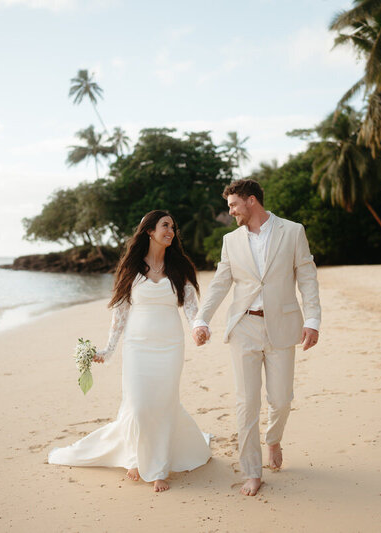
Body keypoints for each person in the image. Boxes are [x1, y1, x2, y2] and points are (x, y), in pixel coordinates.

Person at [48, 210, 211, 492]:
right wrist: (108, 349)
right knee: (138, 406)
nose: (171, 231)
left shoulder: (179, 268)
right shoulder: (132, 268)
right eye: (165, 226)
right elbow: (120, 312)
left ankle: (159, 468)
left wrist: (199, 328)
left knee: (162, 404)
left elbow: (192, 308)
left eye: (173, 227)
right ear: (149, 231)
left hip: (170, 346)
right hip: (137, 347)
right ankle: (134, 456)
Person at [192, 179, 320, 496]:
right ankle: (252, 471)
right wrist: (201, 318)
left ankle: (273, 438)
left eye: (234, 205)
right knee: (246, 403)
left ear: (251, 201)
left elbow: (307, 275)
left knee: (281, 399)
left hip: (282, 326)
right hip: (243, 327)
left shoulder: (292, 231)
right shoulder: (231, 241)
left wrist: (314, 318)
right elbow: (221, 284)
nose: (231, 211)